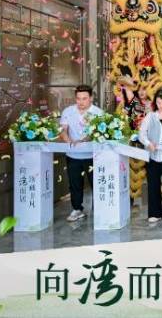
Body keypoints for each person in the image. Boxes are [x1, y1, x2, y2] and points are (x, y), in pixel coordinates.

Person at [60, 85, 104, 222]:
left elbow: (99, 132)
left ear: (91, 98)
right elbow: (63, 130)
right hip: (73, 154)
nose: (81, 102)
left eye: (84, 98)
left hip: (93, 155)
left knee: (96, 183)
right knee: (75, 184)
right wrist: (68, 140)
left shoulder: (98, 113)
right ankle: (77, 209)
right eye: (78, 98)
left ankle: (99, 210)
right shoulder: (68, 111)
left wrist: (85, 140)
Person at [138, 88, 162, 224]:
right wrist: (148, 143)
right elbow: (141, 134)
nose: (161, 105)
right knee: (153, 184)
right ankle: (155, 213)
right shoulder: (150, 116)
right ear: (155, 103)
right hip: (152, 156)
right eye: (159, 102)